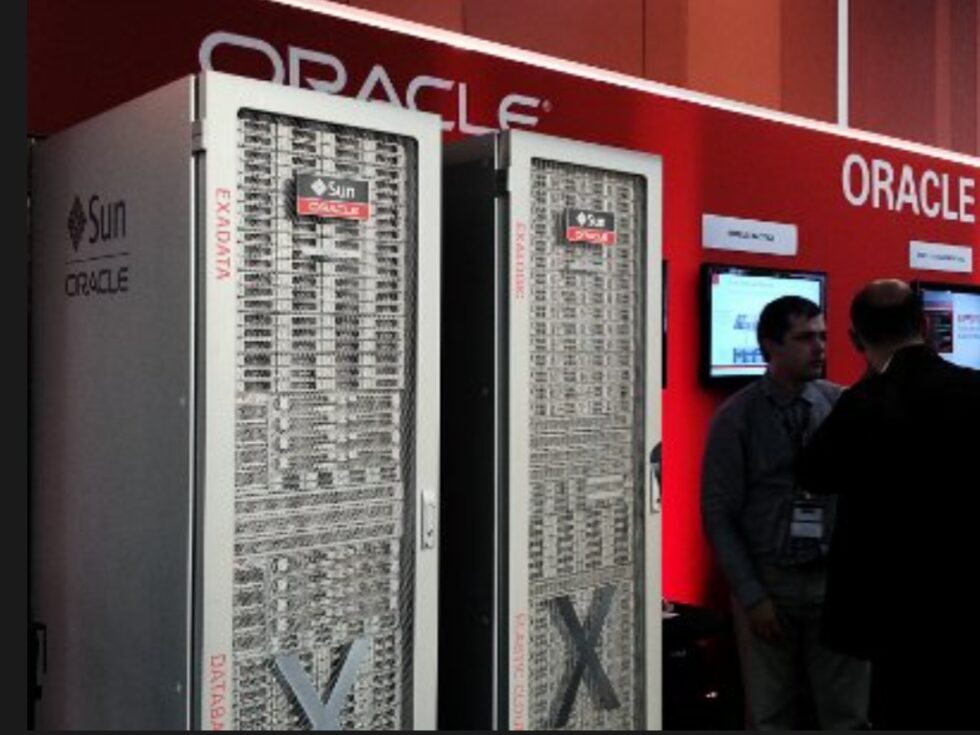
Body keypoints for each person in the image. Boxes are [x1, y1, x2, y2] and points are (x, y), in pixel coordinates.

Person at [797, 279, 980, 730]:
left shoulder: (863, 402)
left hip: (886, 610)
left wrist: (869, 381)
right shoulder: (973, 388)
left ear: (855, 339)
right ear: (925, 326)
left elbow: (814, 473)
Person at [701, 295, 871, 730]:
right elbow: (718, 514)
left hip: (834, 583)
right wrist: (752, 595)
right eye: (805, 338)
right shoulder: (736, 418)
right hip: (769, 583)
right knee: (769, 716)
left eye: (823, 337)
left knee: (848, 715)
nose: (820, 348)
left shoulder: (841, 405)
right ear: (770, 345)